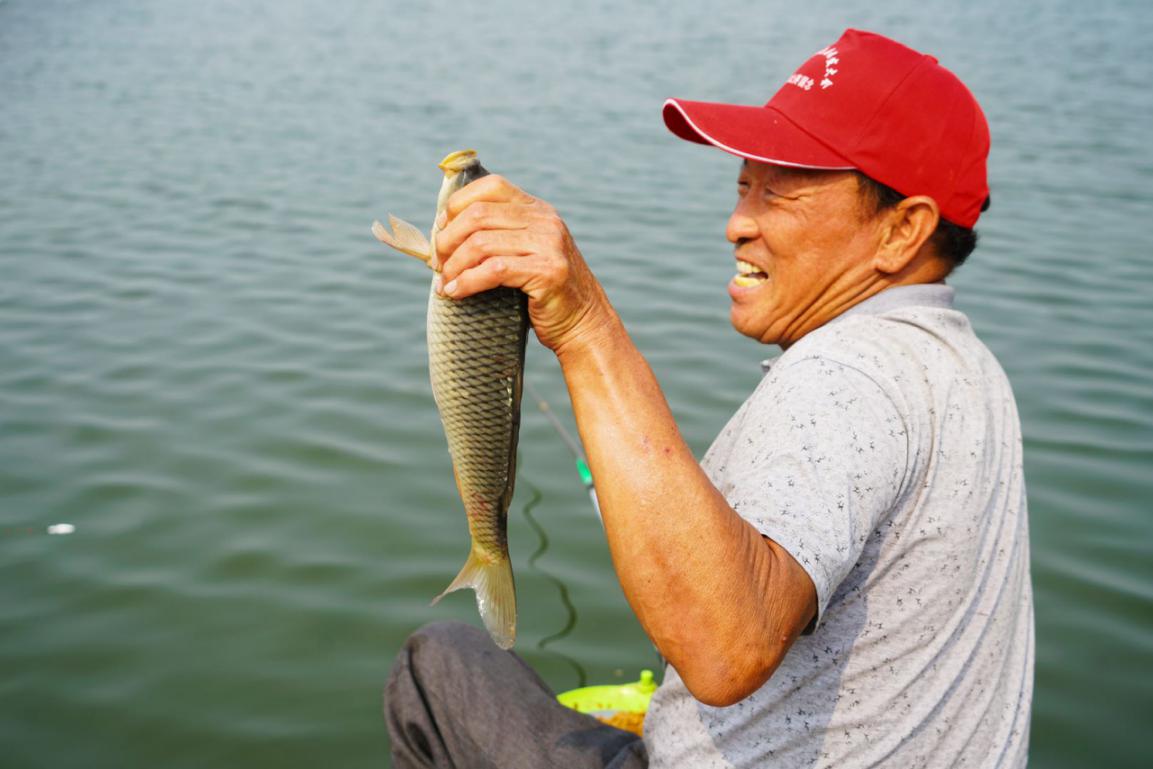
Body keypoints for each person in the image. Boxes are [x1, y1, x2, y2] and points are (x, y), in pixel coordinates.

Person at [385, 28, 1033, 768]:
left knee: (436, 663)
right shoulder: (964, 365)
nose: (737, 223)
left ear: (902, 229)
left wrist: (585, 326)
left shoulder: (850, 372)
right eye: (742, 185)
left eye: (779, 192)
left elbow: (728, 648)